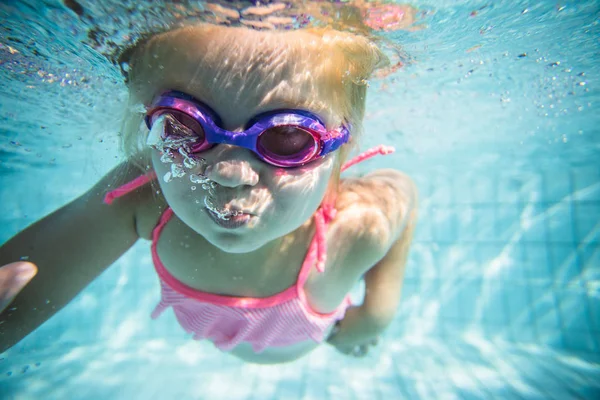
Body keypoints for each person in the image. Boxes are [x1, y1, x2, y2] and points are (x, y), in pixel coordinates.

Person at [0, 21, 417, 364]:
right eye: (183, 128)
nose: (230, 174)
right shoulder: (144, 199)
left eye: (288, 136)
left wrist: (377, 314)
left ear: (342, 143)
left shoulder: (355, 229)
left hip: (319, 337)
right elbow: (28, 276)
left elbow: (405, 195)